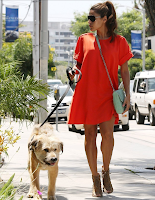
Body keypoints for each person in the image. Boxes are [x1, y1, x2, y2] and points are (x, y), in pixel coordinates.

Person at [68, 1, 133, 197]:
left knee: (108, 136)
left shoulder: (119, 41)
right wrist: (73, 74)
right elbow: (78, 66)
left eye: (92, 18)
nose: (88, 21)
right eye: (88, 18)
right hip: (87, 94)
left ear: (104, 19)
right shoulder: (84, 39)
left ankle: (105, 170)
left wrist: (128, 94)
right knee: (89, 136)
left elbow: (125, 70)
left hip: (107, 95)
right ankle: (95, 177)